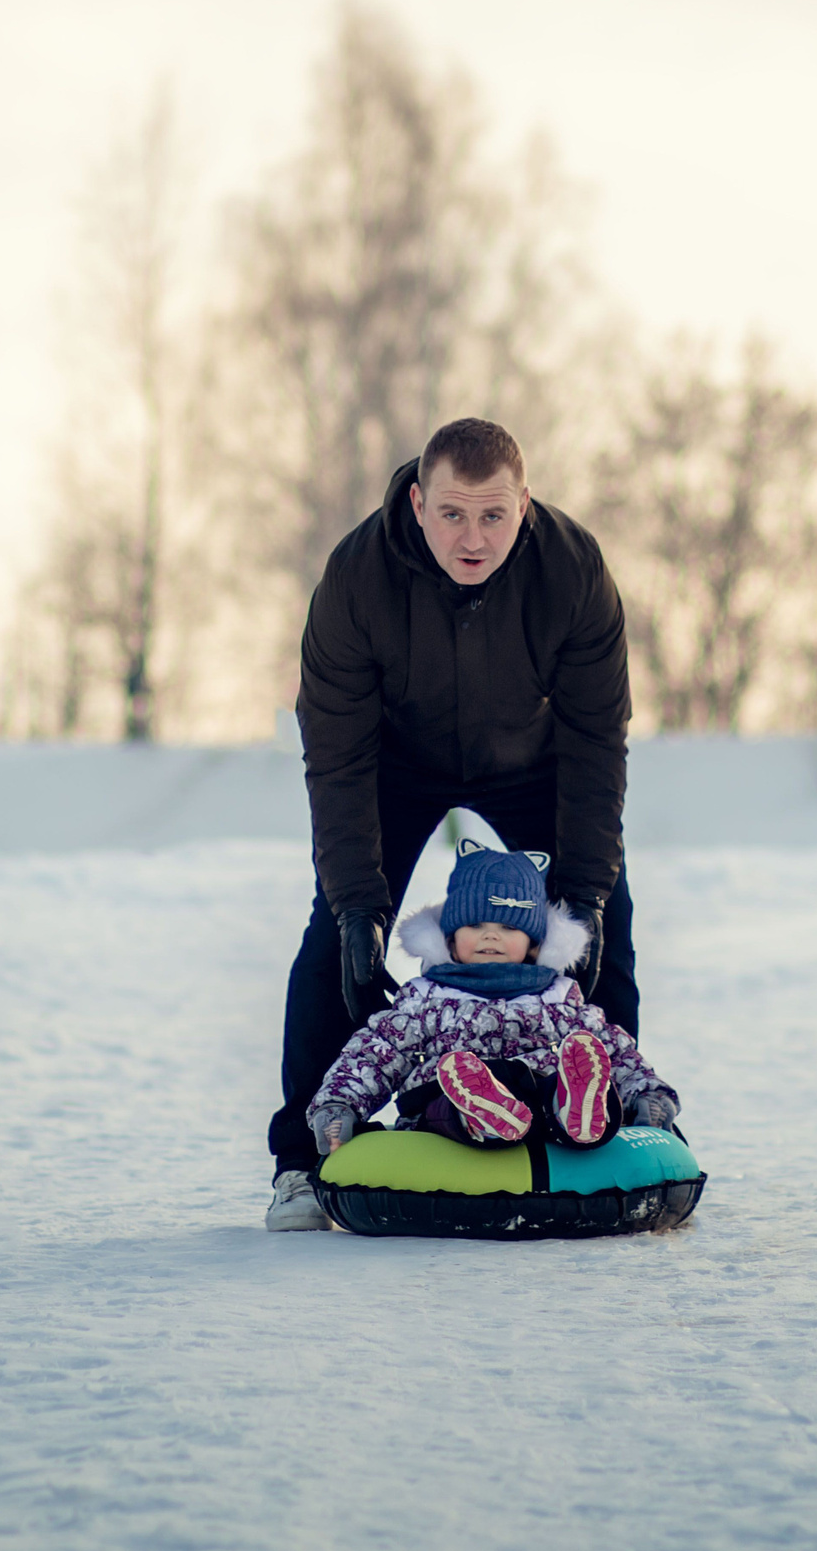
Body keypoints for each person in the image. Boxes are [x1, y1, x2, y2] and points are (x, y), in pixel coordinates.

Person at [266, 417, 639, 1231]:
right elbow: (336, 758)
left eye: (494, 515)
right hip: (396, 767)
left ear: (524, 505)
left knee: (597, 927)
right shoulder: (357, 579)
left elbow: (595, 743)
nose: (473, 538)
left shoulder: (572, 571)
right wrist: (358, 904)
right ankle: (301, 1159)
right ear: (417, 502)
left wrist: (585, 892)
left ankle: (621, 1119)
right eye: (453, 514)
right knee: (335, 942)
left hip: (532, 763)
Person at [304, 845, 677, 1157]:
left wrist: (647, 1095)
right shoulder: (424, 999)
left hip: (535, 1106)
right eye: (475, 925)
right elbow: (375, 1054)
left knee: (561, 1079)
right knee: (441, 1104)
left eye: (509, 927)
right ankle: (482, 1114)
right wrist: (340, 1106)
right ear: (450, 938)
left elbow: (613, 1050)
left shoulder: (559, 998)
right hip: (446, 1107)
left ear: (534, 944)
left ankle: (573, 1111)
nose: (491, 936)